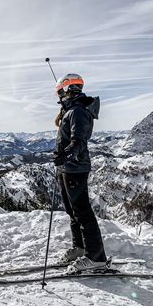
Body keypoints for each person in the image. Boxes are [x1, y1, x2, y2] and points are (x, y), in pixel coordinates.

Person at [52, 73, 107, 272]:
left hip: (75, 168)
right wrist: (62, 156)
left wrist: (65, 156)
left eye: (60, 93)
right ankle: (80, 248)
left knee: (83, 212)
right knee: (72, 211)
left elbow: (79, 142)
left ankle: (96, 257)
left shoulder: (77, 111)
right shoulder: (71, 110)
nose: (59, 97)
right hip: (67, 168)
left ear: (66, 90)